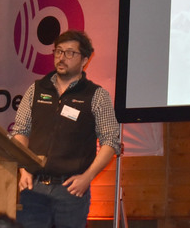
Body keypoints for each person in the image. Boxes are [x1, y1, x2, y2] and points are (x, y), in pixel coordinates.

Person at [11, 30, 121, 228]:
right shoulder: (36, 89)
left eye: (70, 53)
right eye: (59, 51)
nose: (62, 58)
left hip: (71, 190)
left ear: (85, 60)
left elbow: (110, 142)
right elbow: (20, 131)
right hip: (33, 187)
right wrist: (23, 169)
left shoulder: (96, 95)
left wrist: (87, 178)